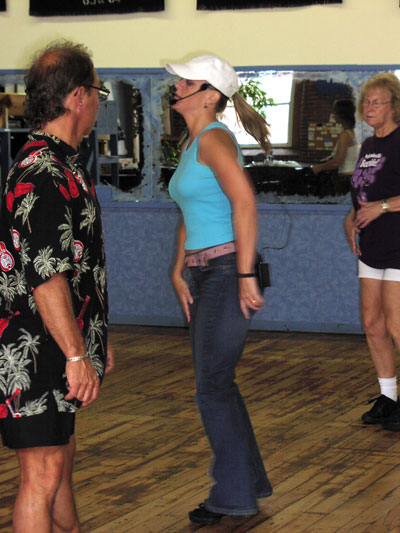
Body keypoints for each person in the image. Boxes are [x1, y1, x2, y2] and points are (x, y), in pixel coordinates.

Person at [0, 40, 113, 532]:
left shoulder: (63, 164)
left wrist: (92, 341)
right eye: (98, 92)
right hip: (35, 348)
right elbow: (46, 277)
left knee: (60, 460)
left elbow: (75, 269)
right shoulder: (43, 172)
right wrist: (74, 353)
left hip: (58, 341)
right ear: (77, 96)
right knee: (42, 473)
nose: (99, 104)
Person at [165, 54, 273, 526]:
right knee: (218, 383)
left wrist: (246, 275)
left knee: (211, 386)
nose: (176, 87)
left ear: (209, 95)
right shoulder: (193, 143)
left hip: (227, 272)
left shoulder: (212, 139)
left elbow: (244, 202)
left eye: (185, 82)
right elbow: (192, 213)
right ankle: (247, 483)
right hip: (207, 273)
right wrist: (177, 270)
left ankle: (233, 497)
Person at [345, 72, 400, 431]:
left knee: (396, 324)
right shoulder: (368, 146)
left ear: (394, 106)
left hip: (398, 246)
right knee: (372, 323)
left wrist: (381, 208)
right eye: (366, 102)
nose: (369, 107)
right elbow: (362, 194)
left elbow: (380, 202)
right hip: (372, 247)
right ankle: (388, 397)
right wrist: (351, 219)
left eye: (377, 102)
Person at [312, 98, 359, 186]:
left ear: (341, 115)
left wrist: (319, 167)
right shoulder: (358, 132)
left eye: (335, 112)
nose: (333, 115)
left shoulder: (345, 135)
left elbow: (337, 162)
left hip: (346, 179)